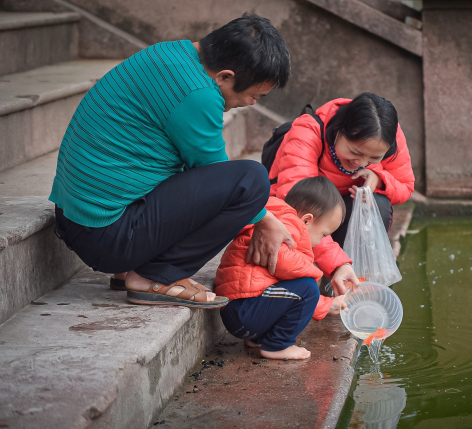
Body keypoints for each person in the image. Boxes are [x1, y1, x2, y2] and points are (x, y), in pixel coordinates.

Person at [49, 14, 293, 308]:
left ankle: (135, 264)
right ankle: (155, 275)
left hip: (79, 219)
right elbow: (217, 175)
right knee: (251, 181)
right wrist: (265, 219)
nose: (252, 103)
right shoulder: (198, 94)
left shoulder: (169, 52)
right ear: (225, 77)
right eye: (255, 95)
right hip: (105, 235)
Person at [268, 93, 415, 295]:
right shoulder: (308, 132)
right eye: (355, 152)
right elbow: (297, 206)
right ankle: (333, 275)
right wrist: (337, 263)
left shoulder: (390, 134)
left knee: (377, 204)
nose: (362, 162)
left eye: (374, 157)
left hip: (340, 214)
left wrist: (379, 179)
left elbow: (406, 186)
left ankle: (342, 284)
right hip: (300, 217)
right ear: (338, 130)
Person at [215, 177, 349, 360]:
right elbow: (279, 259)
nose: (320, 241)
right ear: (307, 220)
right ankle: (278, 345)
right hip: (243, 310)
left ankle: (258, 339)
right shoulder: (288, 224)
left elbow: (286, 293)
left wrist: (325, 305)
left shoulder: (277, 218)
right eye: (324, 234)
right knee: (308, 287)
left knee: (303, 287)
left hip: (242, 312)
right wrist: (315, 273)